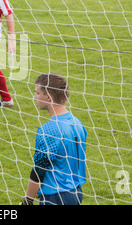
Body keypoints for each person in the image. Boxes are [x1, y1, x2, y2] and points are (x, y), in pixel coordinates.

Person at [20, 73, 87, 205]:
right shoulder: (77, 123)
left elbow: (38, 171)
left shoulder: (49, 130)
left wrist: (27, 200)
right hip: (76, 192)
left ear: (48, 97)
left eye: (37, 93)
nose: (35, 97)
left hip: (56, 197)